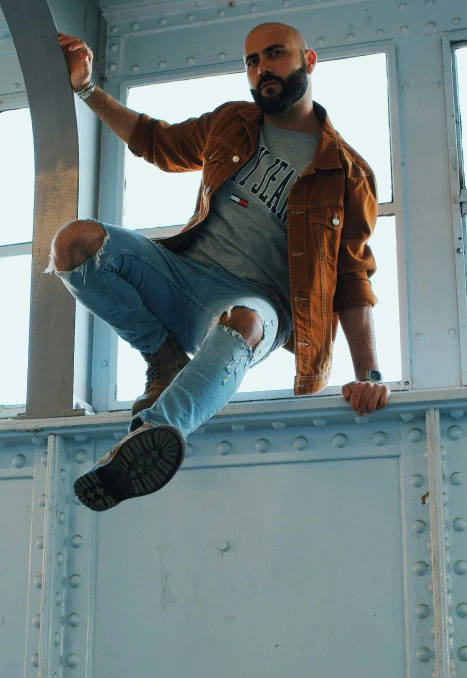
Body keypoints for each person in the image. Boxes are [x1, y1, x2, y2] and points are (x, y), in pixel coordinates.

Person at [52, 22, 390, 513]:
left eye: (275, 55)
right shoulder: (233, 121)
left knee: (245, 319)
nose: (262, 69)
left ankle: (146, 439)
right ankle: (163, 358)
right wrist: (85, 88)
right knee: (75, 243)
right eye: (252, 61)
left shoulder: (349, 173)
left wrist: (370, 374)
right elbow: (156, 142)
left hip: (257, 307)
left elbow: (352, 280)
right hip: (183, 275)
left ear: (308, 61)